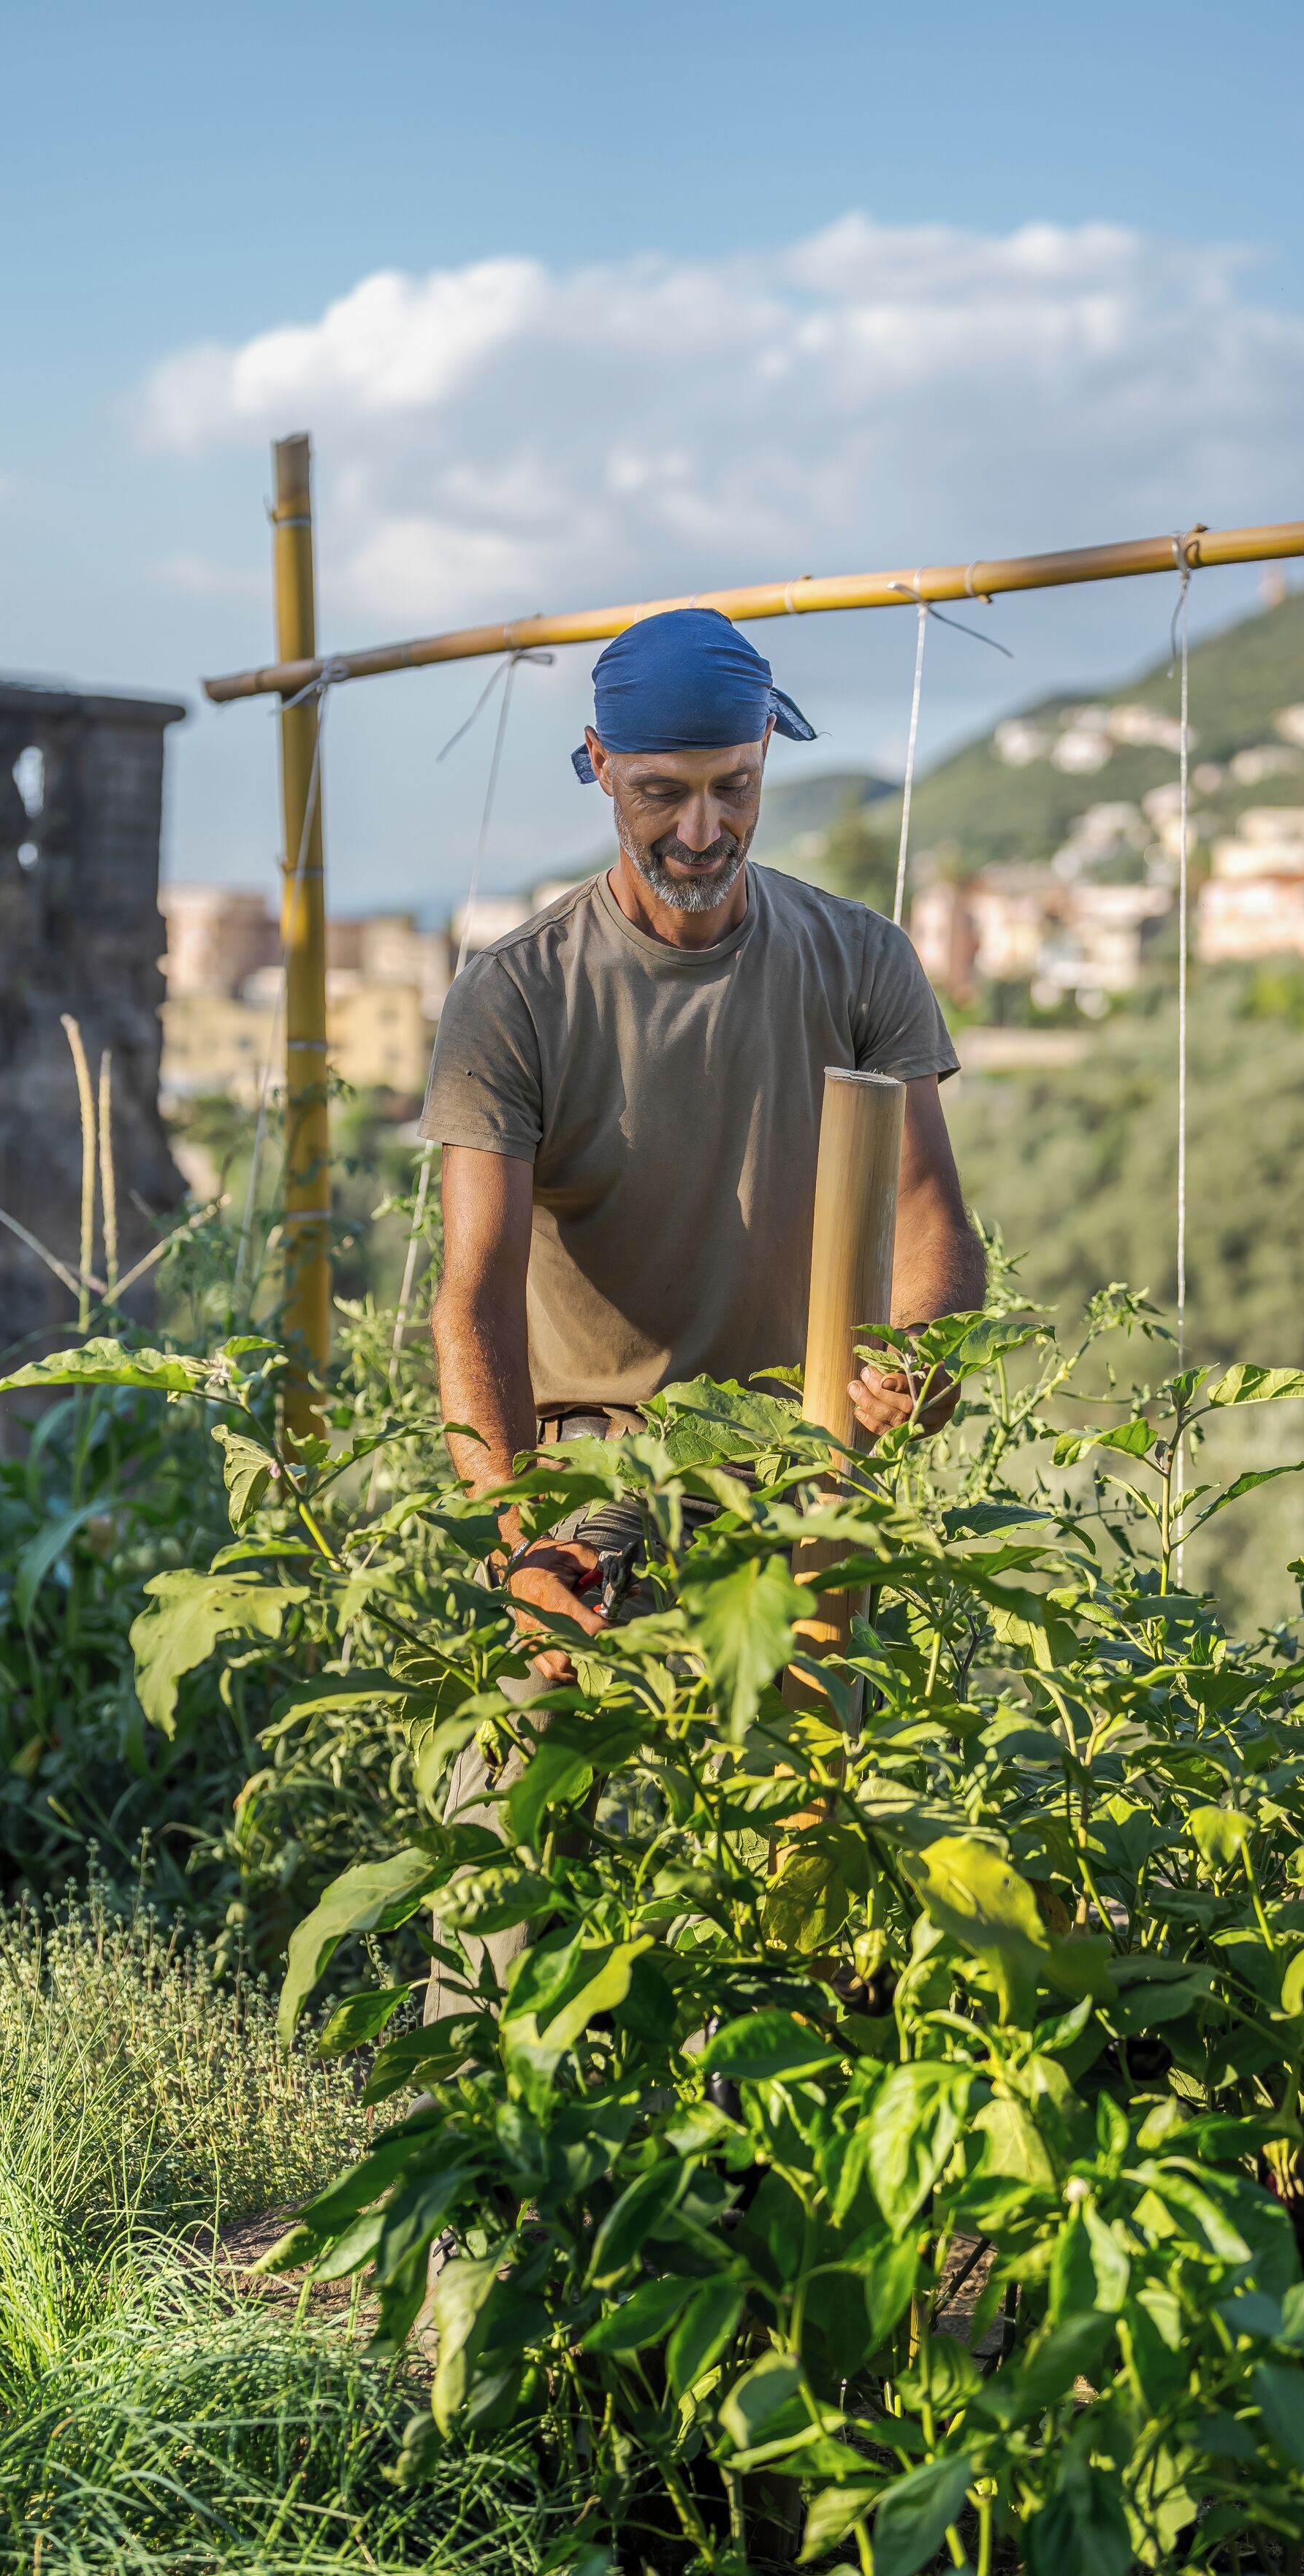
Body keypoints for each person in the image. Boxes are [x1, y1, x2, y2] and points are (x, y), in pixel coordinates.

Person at [416, 607, 985, 2009]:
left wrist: (919, 1362)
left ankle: (780, 2172)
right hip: (600, 1466)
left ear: (767, 758)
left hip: (803, 1457)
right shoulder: (519, 997)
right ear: (600, 767)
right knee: (513, 1823)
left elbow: (932, 1229)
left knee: (823, 1843)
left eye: (732, 784)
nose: (699, 826)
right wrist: (517, 1534)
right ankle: (475, 2160)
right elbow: (473, 1295)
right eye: (662, 791)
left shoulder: (857, 962)